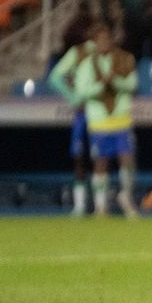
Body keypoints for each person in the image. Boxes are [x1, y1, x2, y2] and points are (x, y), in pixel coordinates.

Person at [73, 22, 139, 218]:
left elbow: (133, 84)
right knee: (100, 162)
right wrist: (101, 84)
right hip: (99, 121)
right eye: (99, 40)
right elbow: (81, 91)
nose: (104, 43)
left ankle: (126, 196)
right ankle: (100, 207)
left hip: (121, 119)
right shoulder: (86, 65)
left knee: (127, 160)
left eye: (106, 39)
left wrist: (116, 81)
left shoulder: (124, 59)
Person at [46, 26, 96, 216]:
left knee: (100, 158)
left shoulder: (105, 53)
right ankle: (81, 205)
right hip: (83, 114)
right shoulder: (78, 53)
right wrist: (74, 98)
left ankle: (99, 205)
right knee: (79, 155)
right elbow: (55, 78)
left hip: (102, 113)